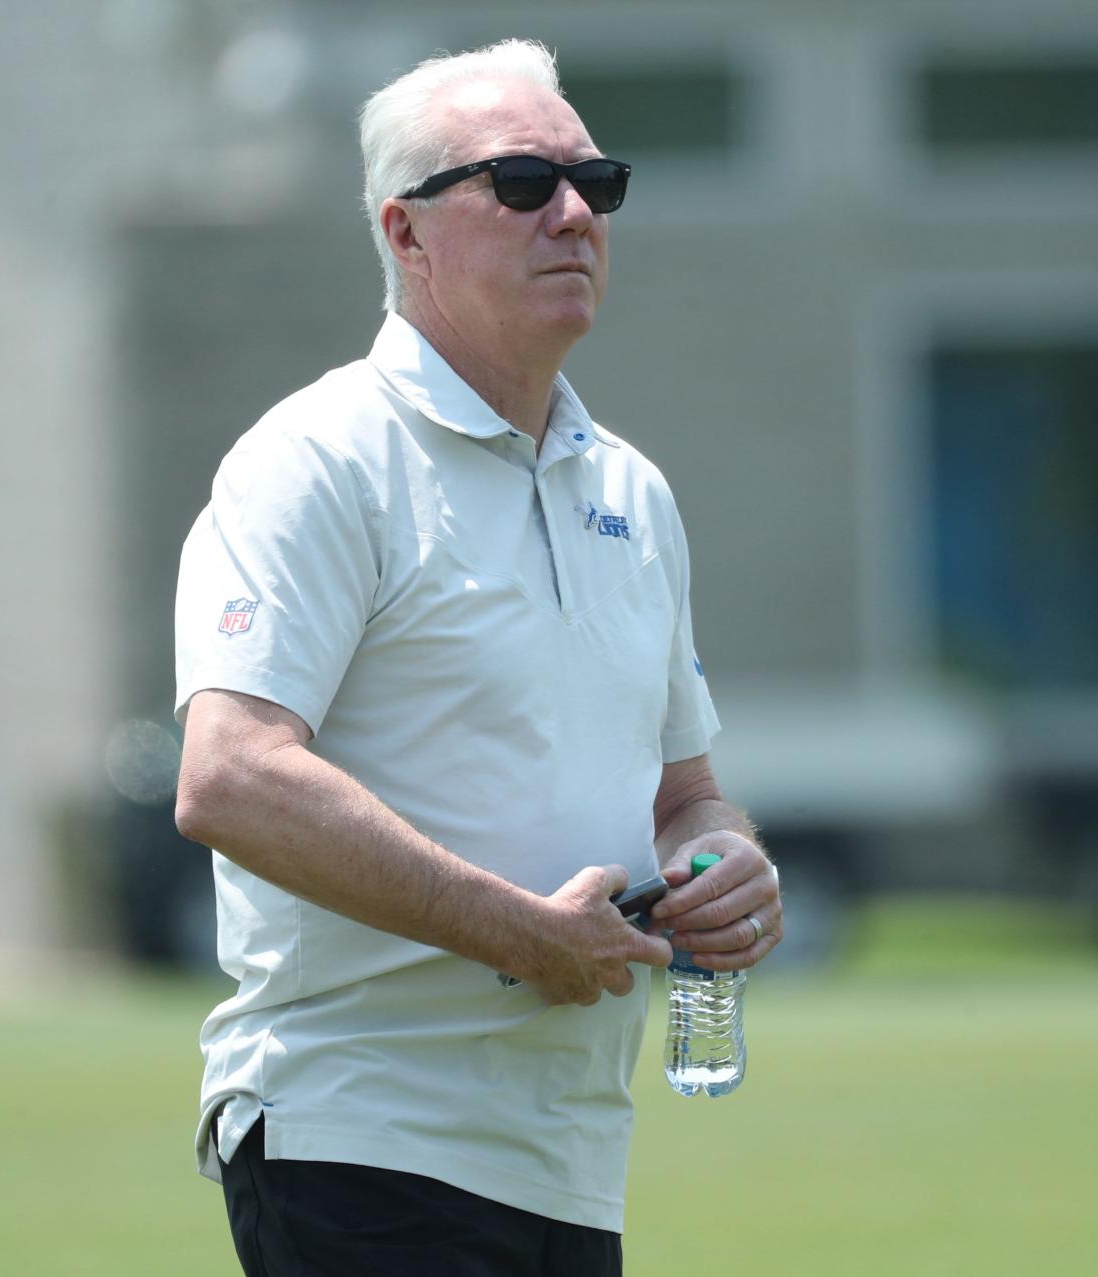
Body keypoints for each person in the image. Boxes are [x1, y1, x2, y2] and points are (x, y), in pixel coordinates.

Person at [173, 38, 782, 1277]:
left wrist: (728, 867)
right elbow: (230, 776)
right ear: (406, 235)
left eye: (594, 183)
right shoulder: (322, 458)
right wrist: (517, 928)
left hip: (569, 1159)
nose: (571, 212)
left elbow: (686, 794)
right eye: (518, 183)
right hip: (359, 1139)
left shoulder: (633, 490)